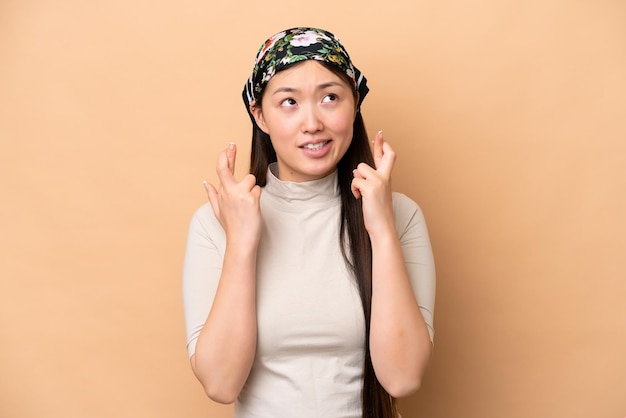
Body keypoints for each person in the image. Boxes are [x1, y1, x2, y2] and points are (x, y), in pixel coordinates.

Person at [182, 27, 436, 418]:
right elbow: (220, 383)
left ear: (354, 105)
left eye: (330, 97)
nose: (312, 122)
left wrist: (381, 230)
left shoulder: (400, 215)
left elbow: (402, 378)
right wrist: (241, 243)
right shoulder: (216, 222)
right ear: (260, 116)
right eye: (288, 102)